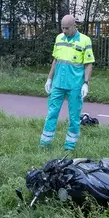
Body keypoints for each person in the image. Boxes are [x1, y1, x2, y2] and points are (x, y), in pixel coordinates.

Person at [40, 15, 95, 151]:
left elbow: (88, 64)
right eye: (62, 28)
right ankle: (44, 144)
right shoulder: (59, 38)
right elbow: (55, 60)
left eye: (67, 28)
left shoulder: (84, 40)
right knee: (52, 113)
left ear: (74, 26)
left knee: (74, 117)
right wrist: (49, 79)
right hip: (58, 83)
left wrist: (86, 83)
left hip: (75, 85)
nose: (64, 31)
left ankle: (70, 146)